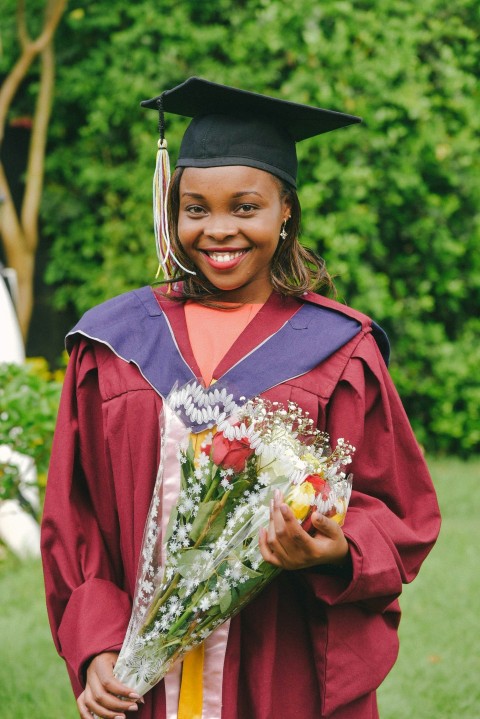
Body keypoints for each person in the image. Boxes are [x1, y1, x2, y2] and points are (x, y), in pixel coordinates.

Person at [41, 77, 441, 719]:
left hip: (278, 663)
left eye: (245, 207)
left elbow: (398, 509)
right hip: (139, 679)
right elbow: (75, 516)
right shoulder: (113, 344)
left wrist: (335, 548)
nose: (217, 229)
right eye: (195, 208)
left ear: (286, 210)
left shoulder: (339, 350)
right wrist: (95, 645)